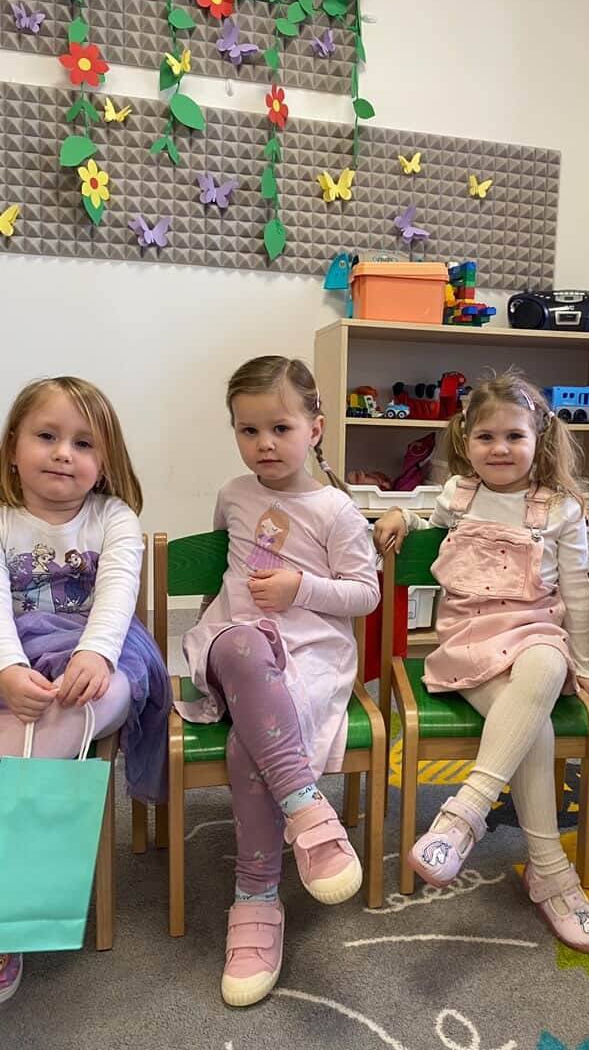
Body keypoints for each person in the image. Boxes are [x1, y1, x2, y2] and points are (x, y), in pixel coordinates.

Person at [374, 370, 589, 954]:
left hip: (534, 633)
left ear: (539, 438)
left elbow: (577, 593)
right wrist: (402, 516)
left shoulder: (560, 509)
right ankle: (550, 874)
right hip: (470, 641)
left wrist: (584, 663)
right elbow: (425, 520)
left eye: (514, 436)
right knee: (533, 726)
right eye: (486, 437)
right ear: (465, 438)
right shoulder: (457, 495)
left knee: (546, 664)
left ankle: (464, 813)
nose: (499, 449)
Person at [181, 356, 379, 1007]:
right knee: (241, 645)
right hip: (233, 644)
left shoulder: (336, 509)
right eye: (249, 430)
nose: (264, 443)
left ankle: (257, 896)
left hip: (308, 654)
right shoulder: (234, 494)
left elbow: (365, 594)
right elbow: (222, 569)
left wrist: (301, 588)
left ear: (315, 429)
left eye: (280, 428)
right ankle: (307, 809)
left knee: (253, 739)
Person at [0, 376, 170, 1004]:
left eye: (82, 443)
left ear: (105, 460)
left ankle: (8, 911)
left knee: (71, 713)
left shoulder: (113, 517)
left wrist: (94, 654)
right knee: (18, 728)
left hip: (102, 651)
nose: (62, 453)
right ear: (12, 447)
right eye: (46, 436)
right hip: (16, 650)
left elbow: (118, 593)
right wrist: (7, 670)